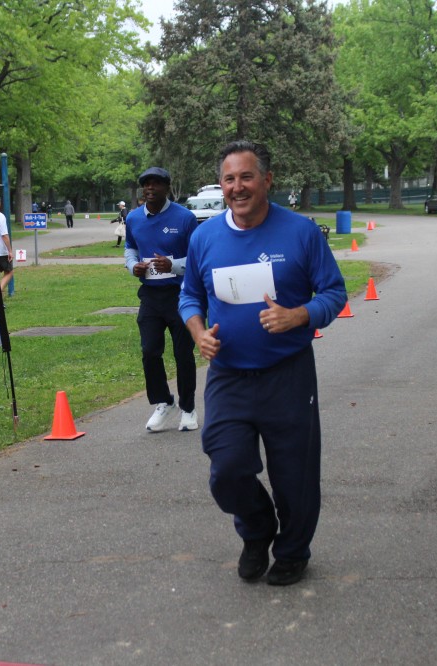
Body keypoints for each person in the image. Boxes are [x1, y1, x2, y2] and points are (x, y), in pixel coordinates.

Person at [179, 140, 347, 586]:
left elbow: (334, 292)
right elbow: (189, 295)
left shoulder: (301, 232)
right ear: (221, 185)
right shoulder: (205, 238)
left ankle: (292, 552)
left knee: (295, 473)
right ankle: (257, 531)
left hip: (287, 373)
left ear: (267, 180)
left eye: (247, 177)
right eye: (229, 179)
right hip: (229, 374)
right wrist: (198, 333)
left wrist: (299, 315)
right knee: (227, 468)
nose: (238, 187)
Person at [124, 167, 199, 432]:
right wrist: (132, 266)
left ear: (167, 188)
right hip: (151, 296)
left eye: (156, 183)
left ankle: (188, 408)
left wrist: (174, 265)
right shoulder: (134, 218)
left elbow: (198, 257)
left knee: (183, 353)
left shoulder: (185, 218)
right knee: (149, 351)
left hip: (181, 295)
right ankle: (164, 401)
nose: (150, 188)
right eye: (146, 184)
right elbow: (130, 248)